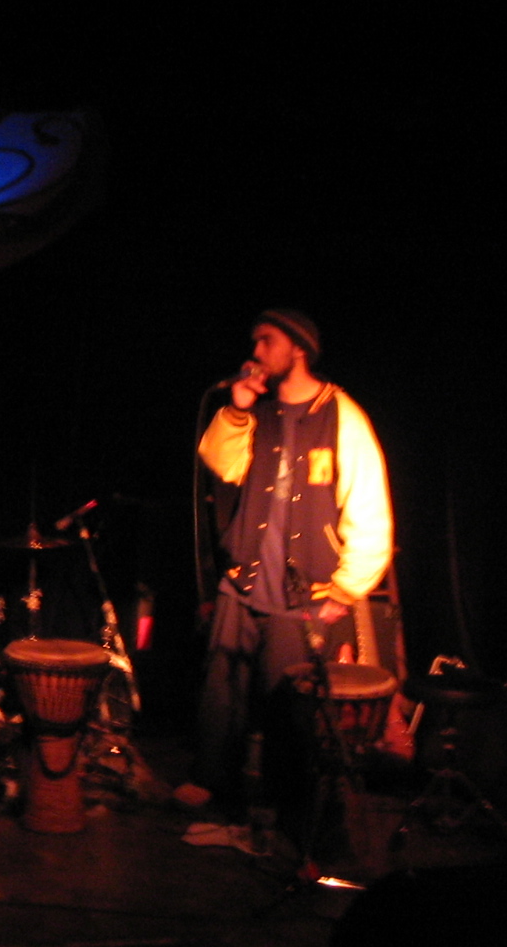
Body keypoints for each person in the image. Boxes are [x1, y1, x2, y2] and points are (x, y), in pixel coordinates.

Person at [181, 309, 393, 831]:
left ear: (297, 348)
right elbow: (220, 462)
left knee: (287, 702)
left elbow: (369, 507)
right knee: (222, 687)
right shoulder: (261, 413)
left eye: (265, 341)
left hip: (305, 590)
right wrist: (237, 409)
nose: (255, 351)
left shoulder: (341, 413)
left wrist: (346, 590)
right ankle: (212, 778)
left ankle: (284, 801)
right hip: (247, 580)